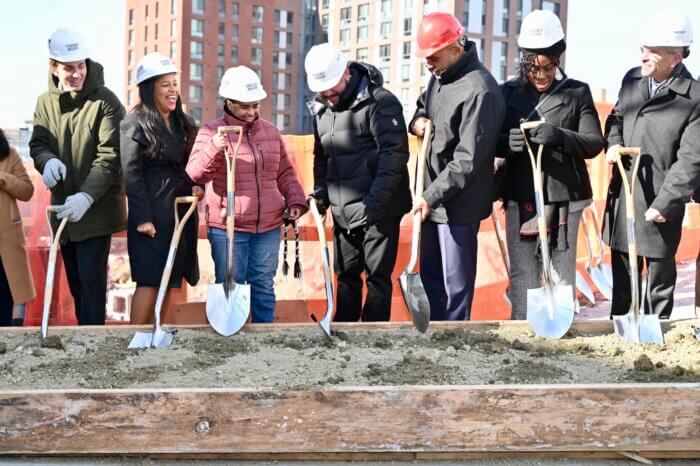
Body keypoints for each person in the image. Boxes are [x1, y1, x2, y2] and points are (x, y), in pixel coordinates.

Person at [496, 10, 604, 320]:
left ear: (558, 61)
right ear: (524, 62)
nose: (541, 75)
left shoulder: (576, 92)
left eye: (548, 67)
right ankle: (521, 331)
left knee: (561, 273)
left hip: (565, 199)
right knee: (524, 275)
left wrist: (558, 135)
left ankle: (560, 333)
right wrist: (507, 143)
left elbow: (594, 143)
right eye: (533, 68)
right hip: (521, 196)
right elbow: (490, 138)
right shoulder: (507, 93)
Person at [186, 66, 307, 323]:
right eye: (245, 106)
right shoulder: (211, 132)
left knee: (263, 285)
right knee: (232, 285)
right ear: (229, 103)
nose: (252, 112)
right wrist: (213, 149)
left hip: (268, 226)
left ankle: (263, 342)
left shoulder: (270, 132)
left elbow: (285, 171)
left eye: (256, 105)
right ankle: (230, 340)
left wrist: (295, 200)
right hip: (229, 227)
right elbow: (195, 174)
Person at [304, 43, 411, 322]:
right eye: (322, 89)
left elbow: (395, 155)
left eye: (332, 87)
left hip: (380, 208)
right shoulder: (322, 111)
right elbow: (321, 157)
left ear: (347, 74)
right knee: (346, 275)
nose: (328, 94)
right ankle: (344, 330)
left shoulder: (380, 102)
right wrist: (321, 194)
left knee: (377, 277)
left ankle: (372, 338)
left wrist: (374, 205)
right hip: (343, 210)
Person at [604, 12, 700, 320]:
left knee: (658, 286)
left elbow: (690, 160)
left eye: (652, 51)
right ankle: (617, 347)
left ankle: (655, 343)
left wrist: (665, 203)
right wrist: (614, 143)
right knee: (622, 284)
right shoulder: (632, 80)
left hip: (659, 203)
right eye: (643, 48)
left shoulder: (694, 98)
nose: (643, 56)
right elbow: (616, 118)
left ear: (674, 58)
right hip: (624, 197)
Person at [409, 13, 504, 321]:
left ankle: (455, 344)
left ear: (454, 47)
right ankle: (434, 340)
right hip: (433, 201)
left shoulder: (481, 90)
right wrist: (417, 121)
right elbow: (423, 106)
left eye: (433, 56)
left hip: (459, 207)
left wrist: (431, 194)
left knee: (454, 287)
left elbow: (468, 159)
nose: (428, 63)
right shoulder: (440, 77)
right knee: (431, 281)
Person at [29, 28, 126, 325]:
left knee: (92, 285)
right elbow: (38, 144)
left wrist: (86, 195)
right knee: (76, 284)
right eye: (69, 68)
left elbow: (109, 157)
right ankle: (84, 343)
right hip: (64, 212)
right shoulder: (45, 102)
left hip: (96, 211)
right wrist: (47, 162)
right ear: (53, 67)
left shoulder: (106, 102)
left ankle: (94, 345)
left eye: (80, 65)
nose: (77, 74)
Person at [120, 53, 201, 324]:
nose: (173, 90)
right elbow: (131, 173)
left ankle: (155, 334)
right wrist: (142, 218)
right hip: (152, 211)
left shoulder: (184, 124)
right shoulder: (134, 125)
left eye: (174, 83)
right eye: (165, 84)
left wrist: (196, 186)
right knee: (149, 278)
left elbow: (191, 163)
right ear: (149, 88)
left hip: (178, 210)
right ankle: (136, 337)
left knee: (169, 277)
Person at [0, 129, 35, 326]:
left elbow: (27, 191)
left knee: (5, 298)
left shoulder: (10, 154)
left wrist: (3, 178)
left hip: (6, 242)